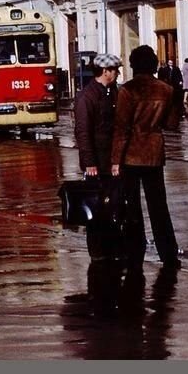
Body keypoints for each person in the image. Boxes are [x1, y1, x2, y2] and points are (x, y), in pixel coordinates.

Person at [111, 45, 180, 267]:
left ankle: (135, 252)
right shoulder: (166, 90)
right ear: (154, 64)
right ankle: (168, 254)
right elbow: (171, 124)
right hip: (154, 152)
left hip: (131, 155)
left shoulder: (127, 91)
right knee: (159, 207)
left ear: (133, 65)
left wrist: (115, 160)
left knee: (132, 207)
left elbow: (121, 129)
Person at [74, 53, 122, 260]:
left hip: (111, 161)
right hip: (97, 163)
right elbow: (83, 132)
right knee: (96, 208)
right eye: (115, 70)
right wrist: (89, 163)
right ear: (105, 72)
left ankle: (112, 247)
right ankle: (98, 252)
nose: (118, 74)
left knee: (114, 206)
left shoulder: (113, 93)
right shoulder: (88, 96)